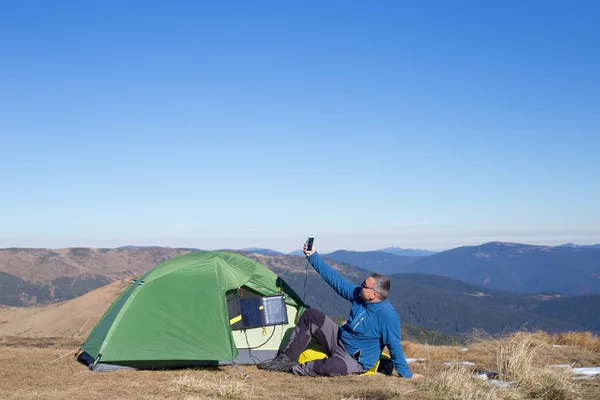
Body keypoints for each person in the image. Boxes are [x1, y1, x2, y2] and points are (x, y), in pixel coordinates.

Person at [258, 241, 424, 379]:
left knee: (332, 367)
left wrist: (407, 374)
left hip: (354, 359)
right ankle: (285, 359)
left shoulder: (387, 316)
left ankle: (295, 368)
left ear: (374, 295)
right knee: (311, 315)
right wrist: (313, 256)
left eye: (364, 285)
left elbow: (394, 346)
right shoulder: (359, 295)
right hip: (338, 339)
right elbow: (336, 280)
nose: (360, 285)